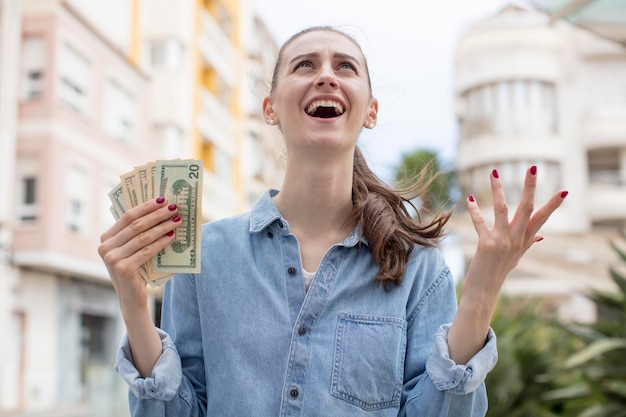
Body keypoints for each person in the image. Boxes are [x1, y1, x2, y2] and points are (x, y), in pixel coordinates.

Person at [98, 26, 568, 416]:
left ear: (370, 111)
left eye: (345, 66)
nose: (326, 75)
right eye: (305, 65)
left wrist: (481, 294)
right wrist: (136, 309)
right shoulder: (206, 258)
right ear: (270, 108)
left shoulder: (420, 271)